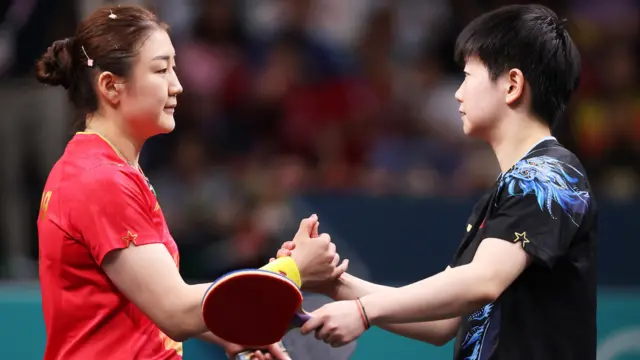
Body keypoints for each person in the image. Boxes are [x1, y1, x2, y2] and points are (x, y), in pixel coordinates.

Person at [276, 4, 597, 359]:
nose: (458, 93)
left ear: (512, 84)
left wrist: (364, 313)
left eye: (468, 76)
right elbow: (442, 324)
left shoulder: (551, 174)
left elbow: (484, 281)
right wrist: (338, 285)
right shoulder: (502, 195)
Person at [35, 5, 347, 360]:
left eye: (175, 68)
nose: (177, 86)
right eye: (161, 69)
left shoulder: (107, 169)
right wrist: (292, 270)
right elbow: (174, 310)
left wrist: (225, 330)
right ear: (111, 85)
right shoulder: (99, 180)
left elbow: (150, 297)